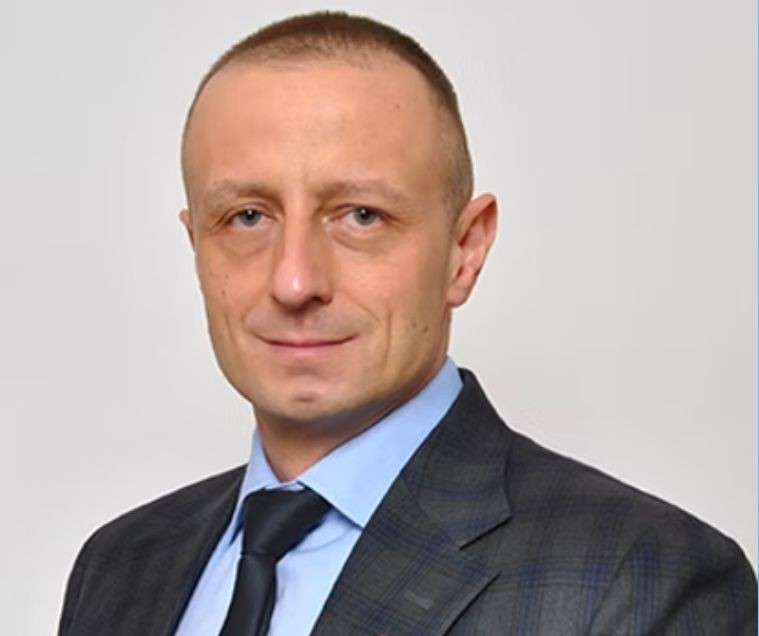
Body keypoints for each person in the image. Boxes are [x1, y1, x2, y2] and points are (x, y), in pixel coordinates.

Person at [58, 11, 756, 636]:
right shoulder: (120, 563)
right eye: (246, 217)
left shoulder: (640, 581)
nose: (294, 280)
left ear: (464, 249)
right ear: (196, 247)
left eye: (361, 215)